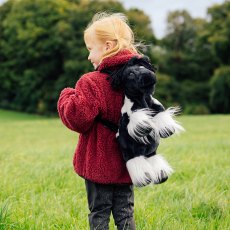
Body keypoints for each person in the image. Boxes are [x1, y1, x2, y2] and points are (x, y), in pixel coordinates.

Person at [58, 12, 141, 230]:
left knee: (99, 213)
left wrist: (67, 95)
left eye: (90, 49)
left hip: (99, 163)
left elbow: (79, 119)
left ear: (107, 46)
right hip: (127, 160)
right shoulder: (138, 79)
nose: (88, 56)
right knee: (125, 213)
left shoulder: (91, 82)